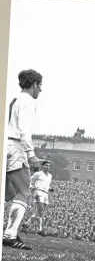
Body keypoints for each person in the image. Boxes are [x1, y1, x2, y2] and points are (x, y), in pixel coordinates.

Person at [3, 69, 43, 250]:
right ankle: (10, 235)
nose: (40, 90)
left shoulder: (14, 99)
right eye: (40, 85)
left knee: (8, 193)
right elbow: (24, 130)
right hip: (15, 146)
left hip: (5, 143)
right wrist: (31, 153)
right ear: (34, 84)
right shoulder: (28, 101)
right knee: (23, 192)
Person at [21, 160, 54, 236]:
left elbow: (46, 185)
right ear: (42, 166)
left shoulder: (50, 175)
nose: (48, 167)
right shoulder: (38, 174)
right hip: (38, 192)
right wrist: (31, 187)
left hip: (46, 194)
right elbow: (30, 180)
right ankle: (39, 230)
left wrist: (50, 189)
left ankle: (26, 225)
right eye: (46, 165)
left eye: (49, 166)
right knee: (41, 212)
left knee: (38, 212)